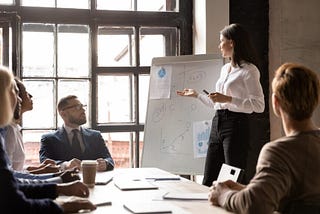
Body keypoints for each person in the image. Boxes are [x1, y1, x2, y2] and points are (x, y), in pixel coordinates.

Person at [209, 63, 320, 214]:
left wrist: (223, 194)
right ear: (316, 99)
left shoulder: (279, 152)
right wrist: (247, 190)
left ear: (275, 103)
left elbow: (255, 205)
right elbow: (302, 199)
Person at [177, 23, 265, 186]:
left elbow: (259, 105)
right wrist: (197, 95)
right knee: (209, 177)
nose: (219, 46)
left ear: (232, 43)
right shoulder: (225, 69)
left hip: (236, 125)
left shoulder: (249, 71)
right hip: (218, 122)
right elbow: (217, 104)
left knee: (233, 177)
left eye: (221, 41)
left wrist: (229, 99)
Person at [0, 65, 96, 213]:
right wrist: (62, 205)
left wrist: (58, 185)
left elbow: (10, 183)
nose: (18, 98)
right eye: (14, 91)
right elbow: (14, 202)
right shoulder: (7, 132)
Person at [40, 95, 114, 172]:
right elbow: (44, 162)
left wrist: (105, 163)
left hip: (94, 182)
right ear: (63, 113)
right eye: (78, 107)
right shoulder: (49, 139)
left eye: (83, 106)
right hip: (65, 182)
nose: (83, 110)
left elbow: (109, 160)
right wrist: (65, 165)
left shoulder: (95, 136)